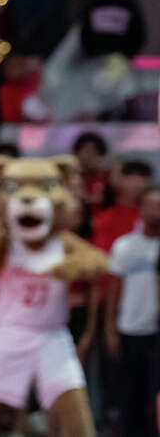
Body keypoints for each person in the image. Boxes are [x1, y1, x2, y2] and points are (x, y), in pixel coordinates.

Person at [104, 187, 160, 436]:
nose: (156, 211)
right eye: (151, 205)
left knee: (154, 396)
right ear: (140, 209)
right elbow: (113, 291)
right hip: (131, 328)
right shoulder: (125, 246)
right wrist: (110, 330)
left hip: (157, 331)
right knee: (131, 395)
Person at [93, 160, 153, 252]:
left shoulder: (152, 216)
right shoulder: (104, 217)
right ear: (122, 180)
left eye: (142, 180)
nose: (138, 185)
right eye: (133, 180)